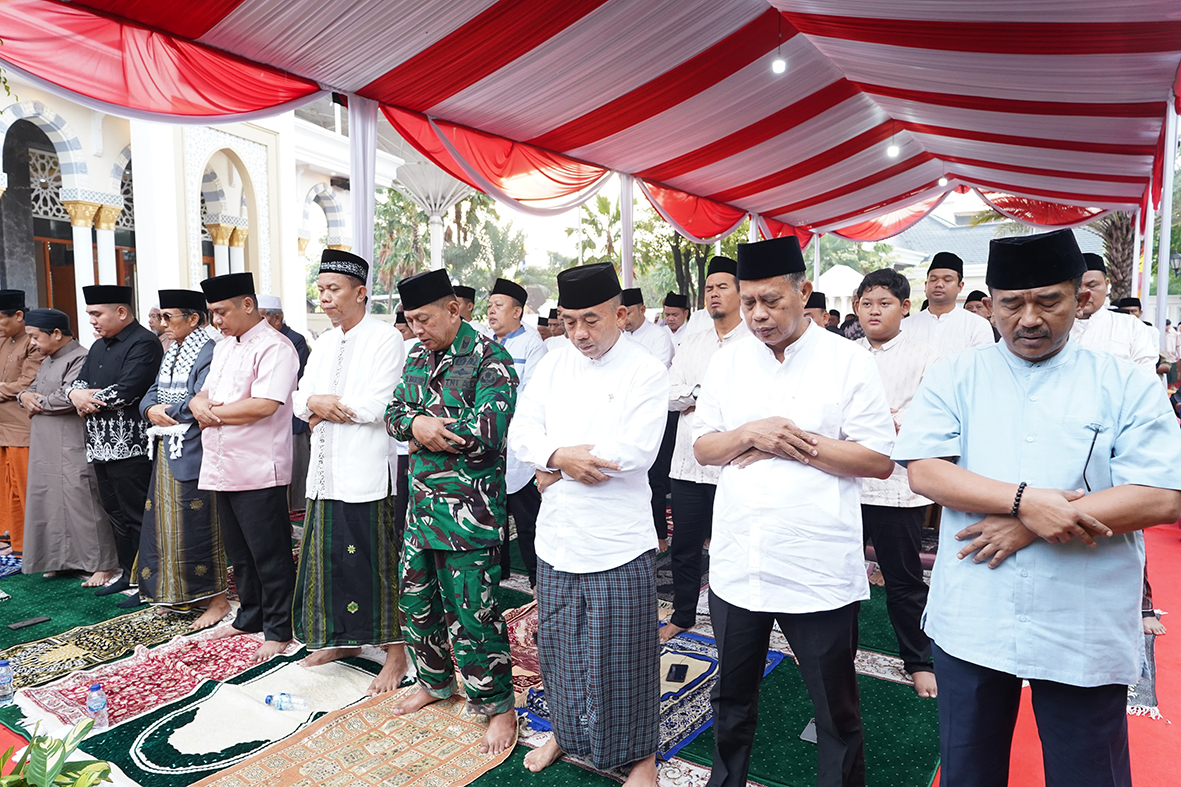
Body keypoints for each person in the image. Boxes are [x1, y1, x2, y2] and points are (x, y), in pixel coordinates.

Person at [893, 228, 1181, 787]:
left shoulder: (1124, 382)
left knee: (1088, 772)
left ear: (1081, 296)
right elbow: (925, 470)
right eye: (1011, 304)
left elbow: (1161, 495)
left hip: (1081, 615)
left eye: (1048, 301)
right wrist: (1025, 502)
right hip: (975, 612)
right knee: (968, 771)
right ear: (991, 304)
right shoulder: (956, 374)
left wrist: (1031, 526)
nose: (1029, 319)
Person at [693, 235, 896, 787]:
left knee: (835, 706)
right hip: (740, 563)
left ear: (803, 293)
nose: (758, 315)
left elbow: (878, 459)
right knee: (731, 698)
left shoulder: (848, 361)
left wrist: (790, 442)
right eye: (748, 302)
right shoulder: (728, 362)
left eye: (771, 301)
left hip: (817, 567)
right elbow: (704, 448)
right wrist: (749, 433)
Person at [508, 262, 668, 786]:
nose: (578, 333)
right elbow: (522, 431)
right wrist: (558, 456)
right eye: (569, 320)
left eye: (591, 320)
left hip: (618, 539)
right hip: (558, 536)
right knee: (559, 647)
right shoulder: (554, 362)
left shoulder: (645, 370)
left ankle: (641, 756)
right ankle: (566, 731)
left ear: (620, 315)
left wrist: (555, 468)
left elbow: (635, 451)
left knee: (625, 654)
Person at [385, 268, 518, 756]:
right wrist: (417, 424)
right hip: (421, 510)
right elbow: (393, 414)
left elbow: (488, 431)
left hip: (470, 514)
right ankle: (435, 682)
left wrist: (425, 430)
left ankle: (499, 706)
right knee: (416, 603)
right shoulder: (416, 356)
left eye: (424, 319)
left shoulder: (490, 358)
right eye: (410, 320)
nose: (416, 329)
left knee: (474, 614)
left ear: (454, 309)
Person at [292, 250, 408, 694]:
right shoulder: (323, 343)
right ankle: (345, 640)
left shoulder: (385, 338)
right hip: (324, 473)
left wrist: (323, 408)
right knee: (332, 562)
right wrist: (314, 404)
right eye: (320, 289)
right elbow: (299, 399)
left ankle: (395, 651)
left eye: (333, 289)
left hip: (365, 472)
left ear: (360, 293)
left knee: (375, 564)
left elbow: (379, 405)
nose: (324, 298)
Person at [193, 272, 300, 662]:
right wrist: (197, 403)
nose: (216, 321)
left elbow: (264, 404)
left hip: (259, 466)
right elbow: (205, 392)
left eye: (222, 312)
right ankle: (250, 617)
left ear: (248, 304)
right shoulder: (224, 347)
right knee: (239, 552)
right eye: (212, 313)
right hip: (222, 464)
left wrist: (210, 414)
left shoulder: (275, 347)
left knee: (270, 553)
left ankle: (279, 628)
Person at [852, 269, 939, 697]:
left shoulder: (925, 355)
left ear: (904, 307)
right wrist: (879, 421)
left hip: (896, 486)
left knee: (904, 579)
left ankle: (919, 660)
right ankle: (834, 648)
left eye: (884, 303)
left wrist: (876, 423)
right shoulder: (843, 354)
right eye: (867, 303)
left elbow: (927, 414)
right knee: (840, 571)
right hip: (844, 482)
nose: (874, 311)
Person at [662, 256, 749, 643]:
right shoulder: (692, 343)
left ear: (741, 292)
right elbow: (669, 395)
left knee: (738, 544)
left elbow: (749, 403)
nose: (714, 293)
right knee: (684, 545)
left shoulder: (755, 342)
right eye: (709, 288)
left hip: (736, 464)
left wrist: (697, 397)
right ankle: (683, 614)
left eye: (722, 286)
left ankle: (742, 621)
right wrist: (701, 393)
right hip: (687, 463)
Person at [68, 285, 165, 603]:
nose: (92, 321)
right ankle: (128, 574)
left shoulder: (144, 343)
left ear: (121, 312)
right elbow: (78, 384)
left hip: (131, 447)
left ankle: (149, 583)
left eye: (97, 314)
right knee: (116, 515)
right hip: (99, 445)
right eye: (90, 314)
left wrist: (83, 398)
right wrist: (74, 394)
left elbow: (127, 390)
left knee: (137, 515)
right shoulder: (98, 347)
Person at [139, 289, 228, 629]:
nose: (162, 323)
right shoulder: (172, 350)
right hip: (167, 446)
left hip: (194, 448)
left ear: (193, 319)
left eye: (168, 317)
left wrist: (165, 411)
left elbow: (201, 399)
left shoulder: (209, 350)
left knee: (198, 524)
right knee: (165, 524)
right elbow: (152, 392)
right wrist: (150, 409)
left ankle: (216, 600)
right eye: (160, 317)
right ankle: (181, 594)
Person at [18, 309, 117, 586]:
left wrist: (38, 402)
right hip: (45, 445)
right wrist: (23, 396)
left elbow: (69, 397)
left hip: (72, 443)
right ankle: (60, 560)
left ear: (56, 333)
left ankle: (103, 564)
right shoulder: (48, 360)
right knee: (49, 501)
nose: (32, 343)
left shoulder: (81, 357)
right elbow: (31, 389)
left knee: (83, 502)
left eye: (35, 337)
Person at [488, 277, 547, 588]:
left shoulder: (532, 344)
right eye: (489, 306)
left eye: (498, 306)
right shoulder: (485, 342)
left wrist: (500, 417)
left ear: (517, 311)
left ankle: (538, 580)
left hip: (517, 443)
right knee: (492, 516)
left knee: (527, 520)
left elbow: (532, 393)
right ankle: (499, 574)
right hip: (488, 442)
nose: (491, 311)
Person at [622, 288, 675, 549]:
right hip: (623, 415)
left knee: (654, 476)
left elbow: (655, 377)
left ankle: (660, 535)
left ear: (642, 310)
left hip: (654, 415)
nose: (624, 318)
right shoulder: (620, 337)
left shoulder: (658, 336)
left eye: (629, 312)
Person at [258, 295, 311, 512]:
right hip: (266, 416)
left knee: (295, 466)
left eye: (261, 318)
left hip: (290, 414)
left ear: (277, 319)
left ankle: (296, 514)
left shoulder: (293, 340)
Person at [0, 291, 43, 558]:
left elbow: (28, 384)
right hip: (2, 427)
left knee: (24, 489)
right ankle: (13, 542)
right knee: (5, 489)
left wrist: (2, 388)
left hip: (21, 429)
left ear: (18, 316)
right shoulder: (4, 339)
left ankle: (34, 546)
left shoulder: (33, 341)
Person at [1073, 255, 1157, 375]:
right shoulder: (1055, 326)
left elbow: (1145, 374)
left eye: (1092, 286)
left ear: (1106, 285)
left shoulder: (1131, 326)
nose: (1083, 293)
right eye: (1077, 286)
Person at [904, 252, 994, 357]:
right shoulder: (905, 326)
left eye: (947, 280)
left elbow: (982, 363)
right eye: (933, 280)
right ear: (926, 285)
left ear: (960, 286)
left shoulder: (977, 325)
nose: (939, 284)